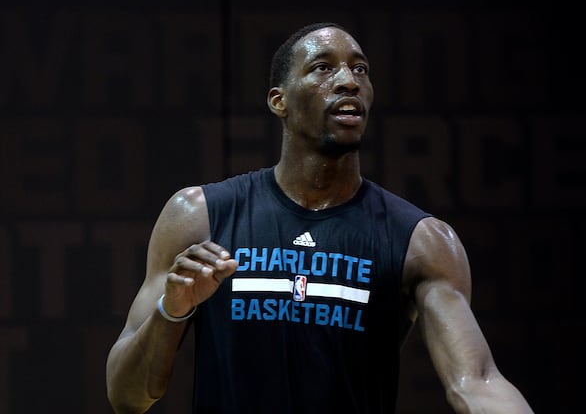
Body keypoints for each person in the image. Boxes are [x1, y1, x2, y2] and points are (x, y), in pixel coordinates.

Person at [105, 21, 535, 414]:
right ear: (280, 101)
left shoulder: (422, 242)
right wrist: (172, 310)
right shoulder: (199, 216)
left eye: (361, 70)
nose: (349, 81)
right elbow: (127, 396)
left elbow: (476, 382)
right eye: (323, 68)